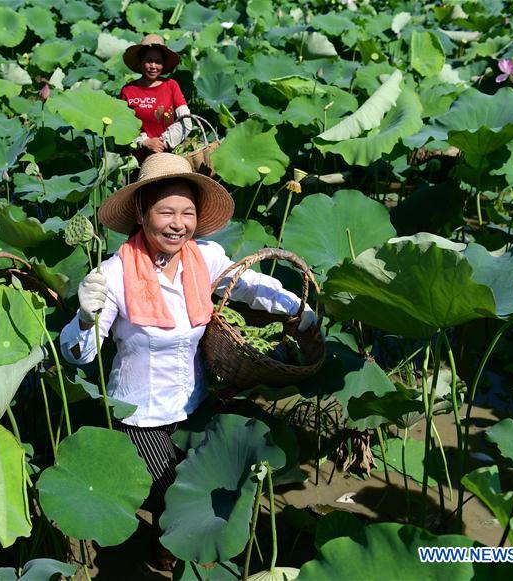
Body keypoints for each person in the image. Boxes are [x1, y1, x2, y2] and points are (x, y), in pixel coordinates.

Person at [59, 153, 317, 559]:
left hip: (195, 405)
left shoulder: (205, 257)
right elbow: (80, 356)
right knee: (174, 501)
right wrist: (84, 317)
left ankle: (185, 553)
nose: (178, 224)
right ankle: (166, 552)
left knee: (208, 490)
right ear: (141, 214)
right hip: (141, 415)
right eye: (166, 212)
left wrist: (297, 310)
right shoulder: (114, 274)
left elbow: (249, 285)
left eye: (187, 213)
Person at [119, 34, 193, 162]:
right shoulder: (128, 91)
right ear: (140, 62)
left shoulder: (171, 85)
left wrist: (163, 142)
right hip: (136, 160)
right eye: (148, 61)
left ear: (163, 64)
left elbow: (186, 120)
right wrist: (144, 142)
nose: (153, 66)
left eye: (158, 62)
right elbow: (120, 125)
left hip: (168, 156)